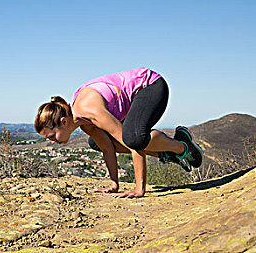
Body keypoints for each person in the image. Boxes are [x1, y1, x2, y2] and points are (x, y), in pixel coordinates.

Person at [34, 67, 203, 198]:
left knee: (134, 139)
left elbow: (132, 146)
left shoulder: (90, 111)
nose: (52, 142)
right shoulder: (83, 122)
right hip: (137, 96)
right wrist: (114, 185)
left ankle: (181, 146)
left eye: (51, 136)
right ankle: (168, 154)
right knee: (96, 143)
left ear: (63, 122)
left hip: (150, 86)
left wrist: (139, 189)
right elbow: (107, 148)